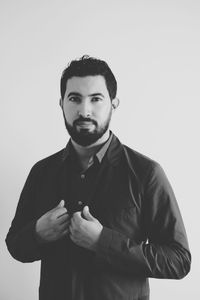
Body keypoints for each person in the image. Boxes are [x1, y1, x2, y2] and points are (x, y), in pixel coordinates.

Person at [6, 55, 191, 300]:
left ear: (114, 103)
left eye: (96, 99)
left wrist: (103, 242)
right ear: (61, 103)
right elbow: (16, 247)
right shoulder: (42, 172)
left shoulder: (147, 173)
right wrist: (38, 233)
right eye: (74, 99)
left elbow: (178, 260)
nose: (84, 110)